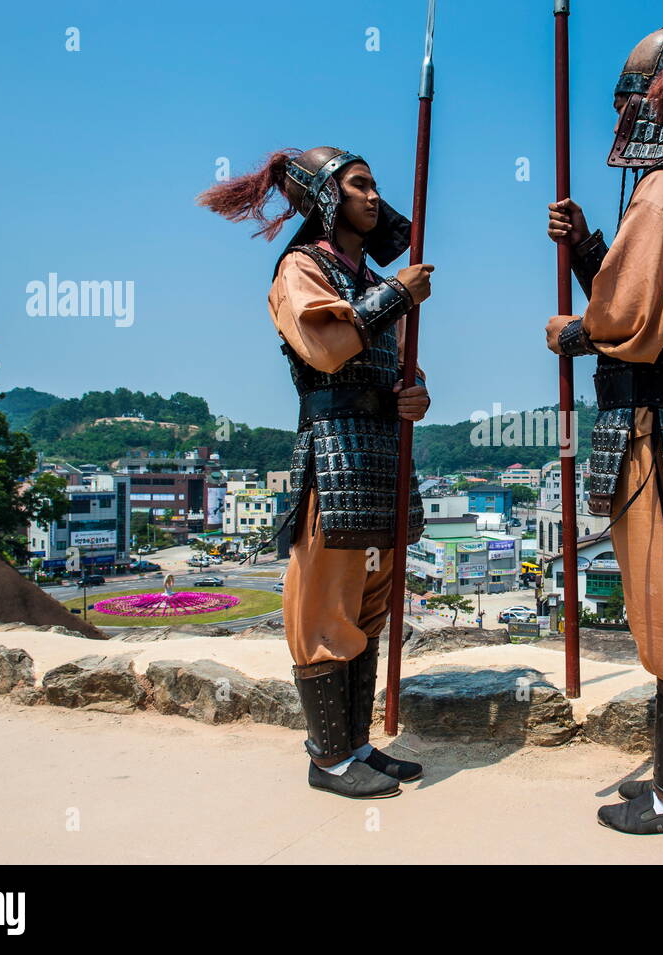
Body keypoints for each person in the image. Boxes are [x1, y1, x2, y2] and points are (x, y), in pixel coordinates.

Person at [545, 2, 663, 834]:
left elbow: (635, 324)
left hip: (657, 428)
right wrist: (590, 248)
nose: (619, 117)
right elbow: (648, 294)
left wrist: (573, 332)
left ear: (649, 101)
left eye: (626, 100)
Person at [198, 146, 433, 799]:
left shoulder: (365, 274)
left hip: (381, 449)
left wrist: (413, 392)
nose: (373, 195)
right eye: (359, 184)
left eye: (374, 185)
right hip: (333, 449)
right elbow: (327, 347)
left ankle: (355, 744)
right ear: (328, 196)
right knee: (324, 605)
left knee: (369, 604)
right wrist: (398, 293)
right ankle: (327, 758)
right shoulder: (301, 267)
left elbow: (396, 368)